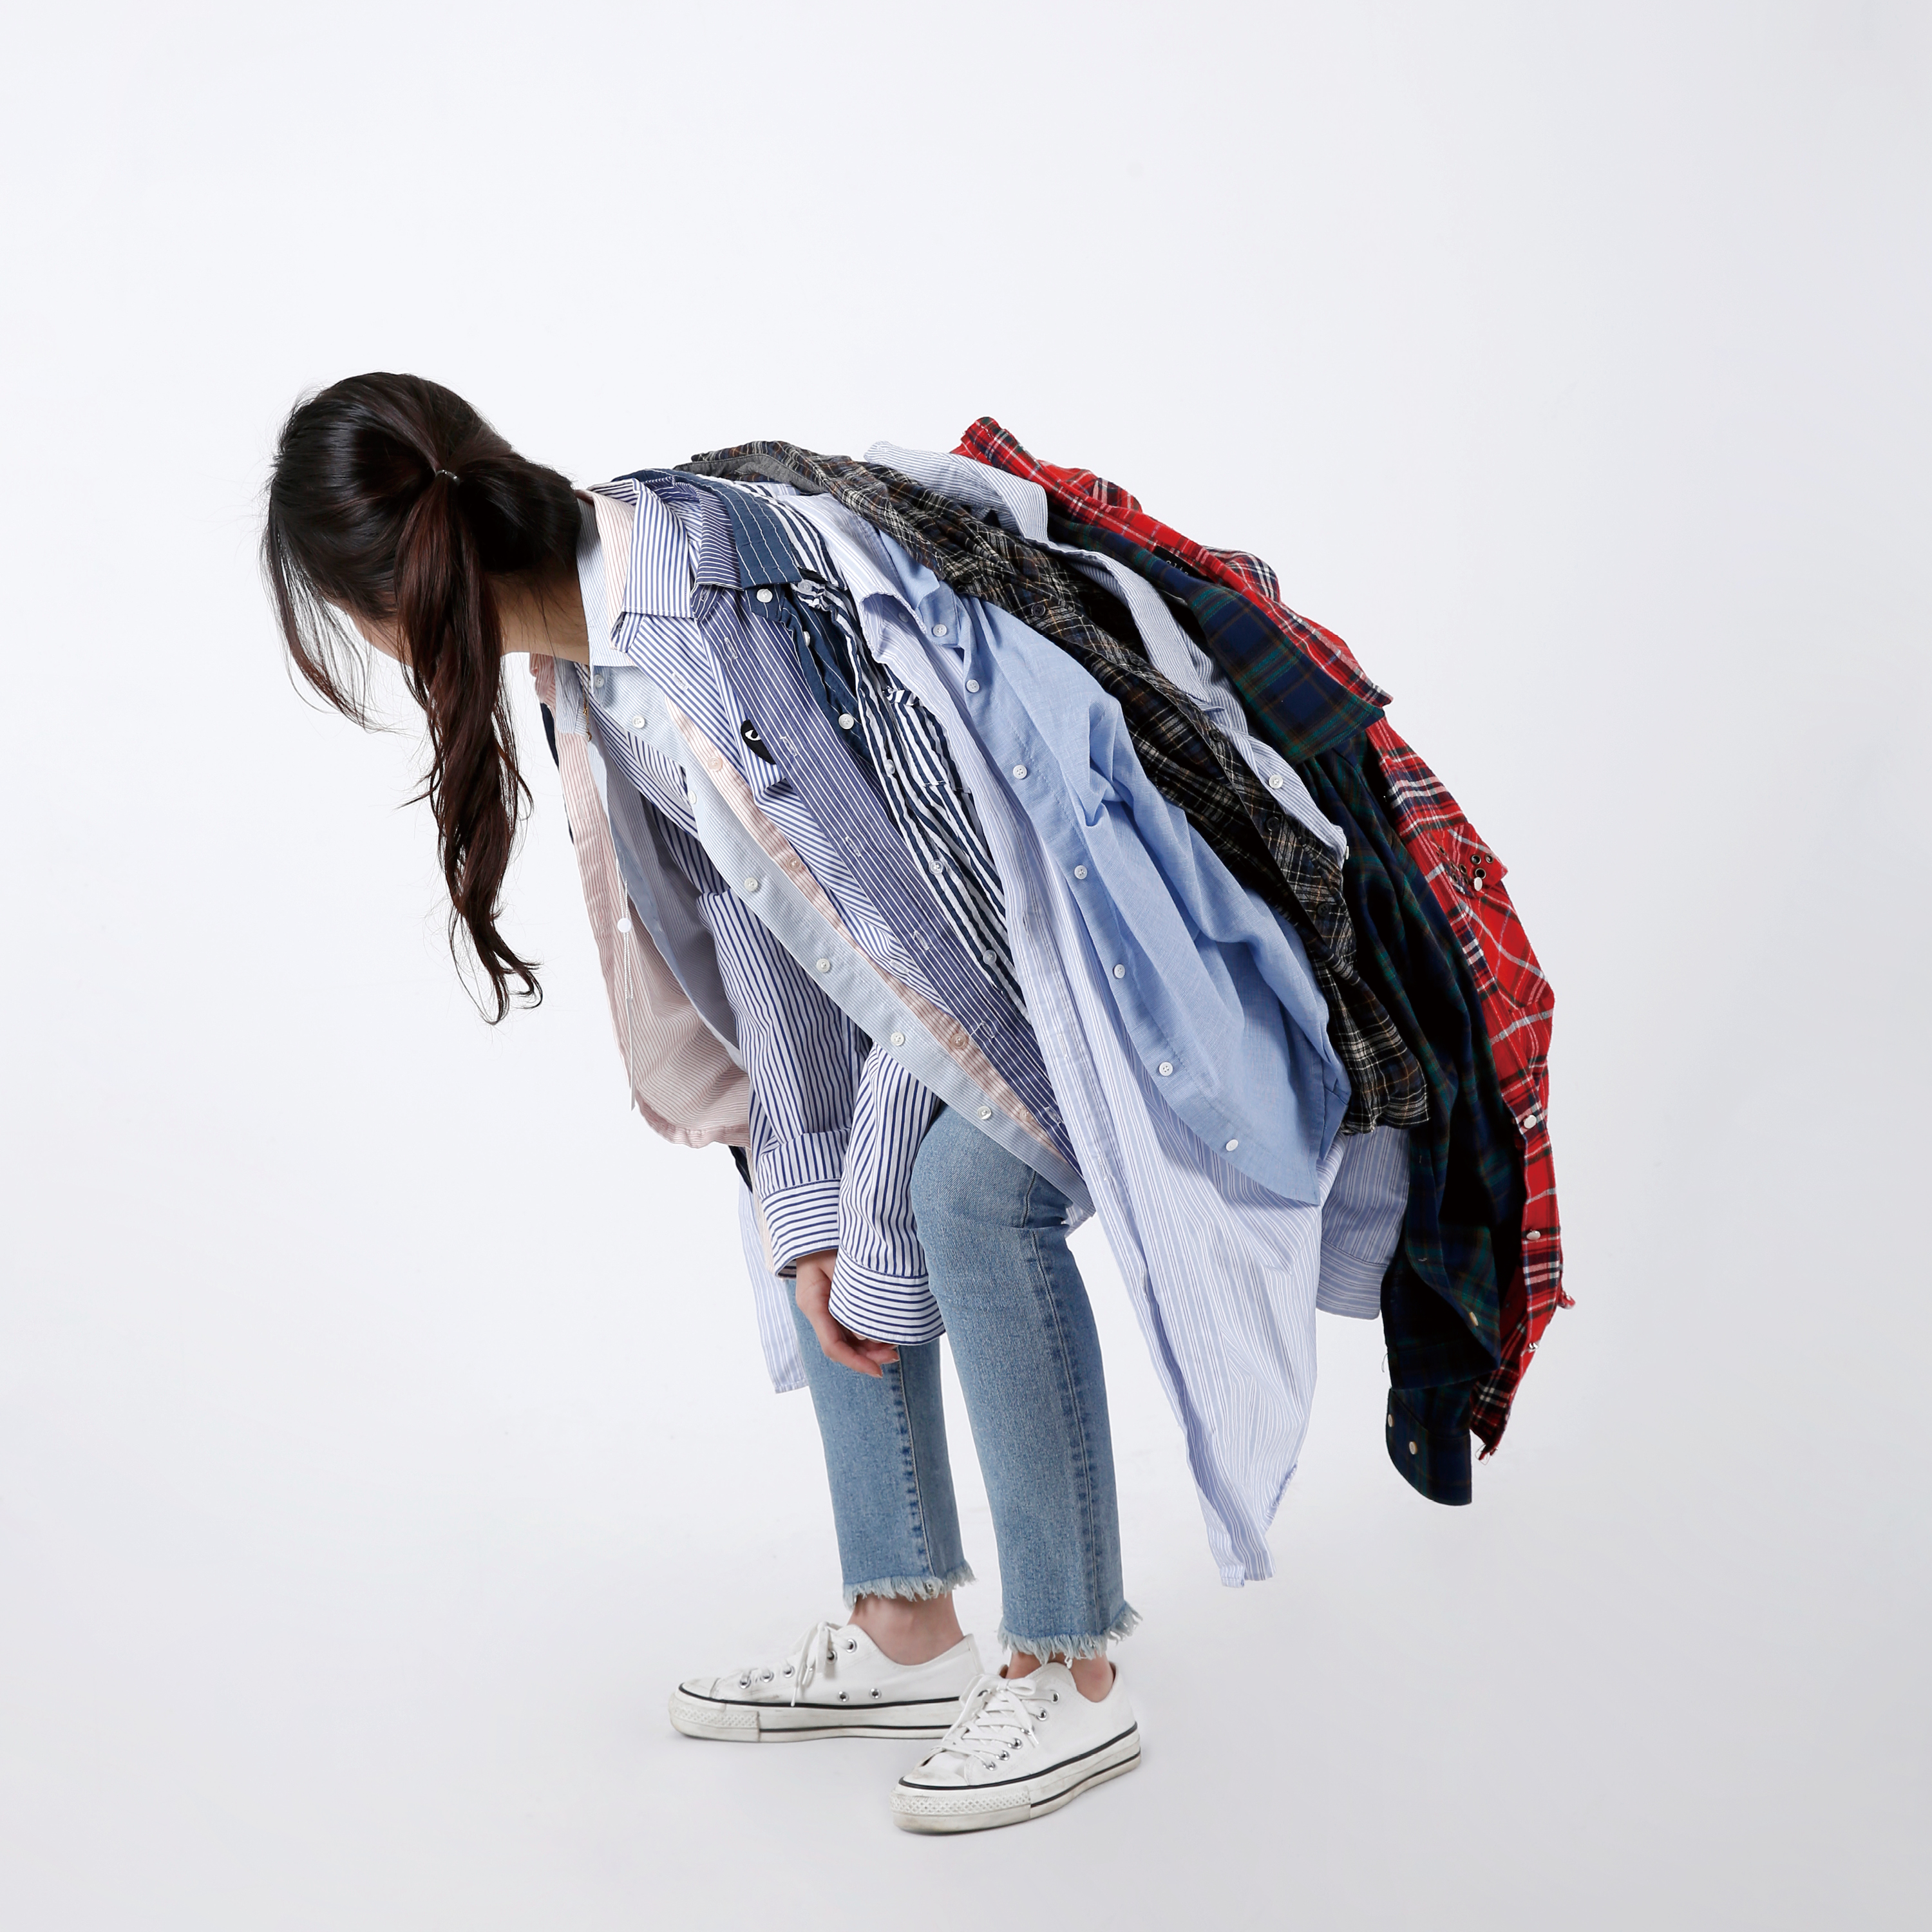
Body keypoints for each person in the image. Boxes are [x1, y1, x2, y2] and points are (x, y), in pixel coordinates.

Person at [261, 372, 1143, 1834]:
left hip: (1061, 931)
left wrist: (867, 1211)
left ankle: (1074, 1664)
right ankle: (905, 1633)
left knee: (954, 1197)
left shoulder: (706, 626)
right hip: (929, 960)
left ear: (383, 608)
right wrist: (811, 1206)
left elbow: (940, 950)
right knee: (800, 1186)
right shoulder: (587, 651)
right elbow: (771, 931)